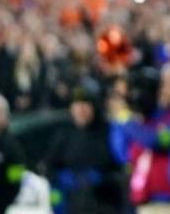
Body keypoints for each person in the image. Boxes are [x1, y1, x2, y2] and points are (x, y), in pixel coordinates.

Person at [118, 62, 170, 214]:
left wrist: (127, 122)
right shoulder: (154, 118)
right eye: (162, 83)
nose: (162, 90)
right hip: (147, 200)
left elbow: (157, 141)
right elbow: (124, 154)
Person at [42, 84, 126, 214]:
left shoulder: (109, 131)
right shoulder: (64, 134)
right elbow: (49, 167)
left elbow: (120, 166)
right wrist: (61, 181)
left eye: (85, 105)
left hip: (104, 204)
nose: (80, 110)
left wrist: (102, 179)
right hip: (72, 205)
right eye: (76, 105)